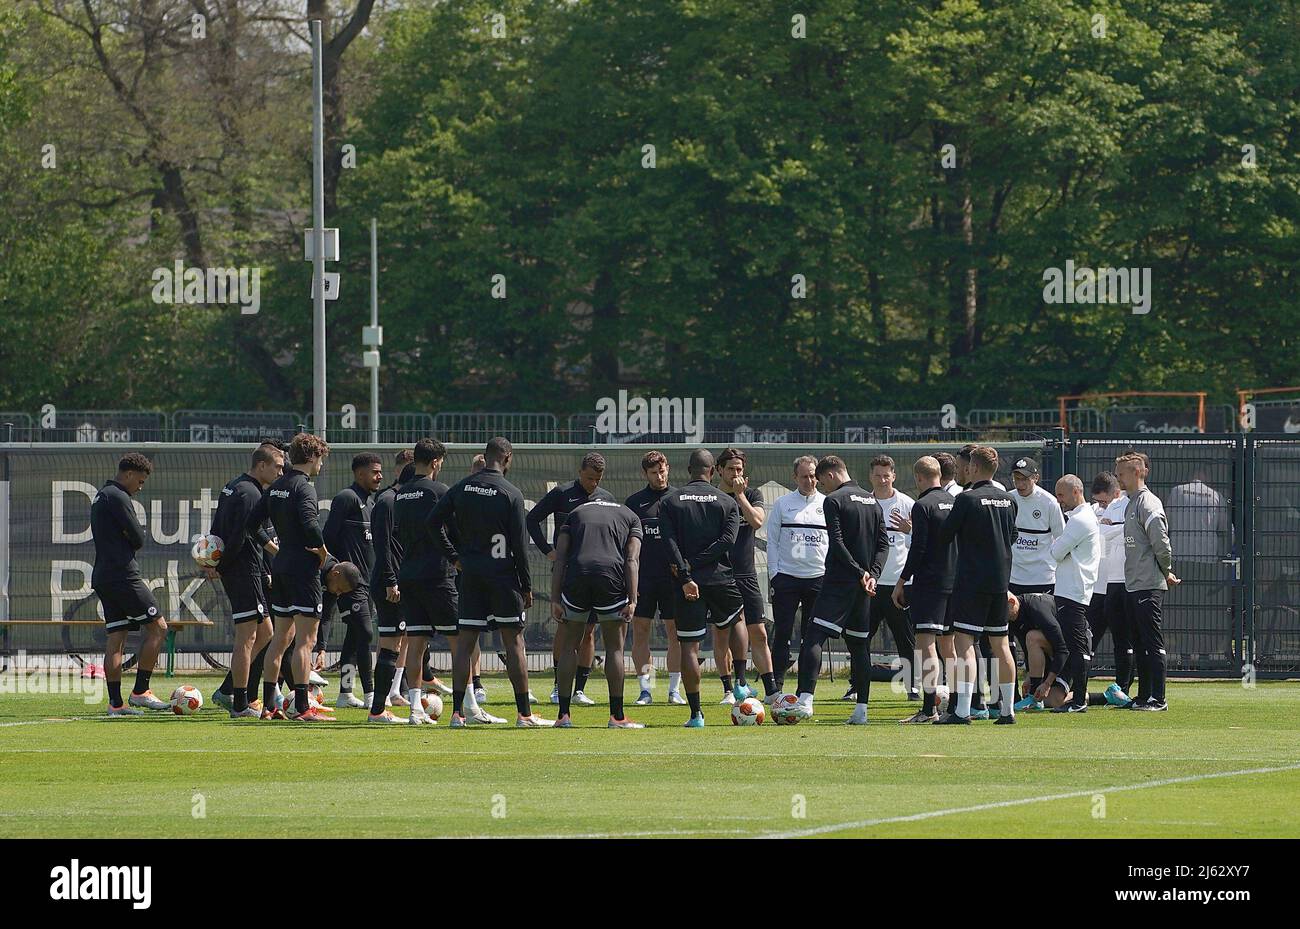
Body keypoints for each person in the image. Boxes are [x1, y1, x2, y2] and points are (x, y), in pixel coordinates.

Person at [431, 437, 553, 727]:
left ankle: (457, 714)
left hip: (471, 575)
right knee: (514, 642)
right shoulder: (511, 493)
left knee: (465, 644)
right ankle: (524, 714)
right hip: (503, 577)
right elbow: (520, 546)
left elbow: (432, 522)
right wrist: (526, 585)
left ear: (485, 458)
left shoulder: (462, 487)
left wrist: (454, 556)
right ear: (507, 458)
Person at [779, 456, 889, 725]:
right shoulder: (871, 500)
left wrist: (859, 573)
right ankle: (861, 710)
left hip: (840, 582)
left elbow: (837, 544)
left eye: (820, 479)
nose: (819, 485)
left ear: (829, 476)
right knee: (859, 645)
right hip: (864, 588)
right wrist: (872, 575)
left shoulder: (834, 500)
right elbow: (884, 545)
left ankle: (805, 700)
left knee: (814, 637)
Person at [247, 432, 334, 721]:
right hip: (303, 570)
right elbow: (311, 524)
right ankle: (302, 707)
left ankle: (270, 707)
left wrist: (272, 548)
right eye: (320, 458)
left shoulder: (276, 486)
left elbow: (251, 523)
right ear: (311, 457)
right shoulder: (304, 487)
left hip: (281, 566)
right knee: (305, 641)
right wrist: (322, 552)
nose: (321, 464)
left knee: (281, 637)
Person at [658, 449, 743, 727]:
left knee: (689, 648)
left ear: (688, 470)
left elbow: (668, 544)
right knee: (737, 620)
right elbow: (728, 541)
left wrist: (685, 573)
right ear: (712, 471)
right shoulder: (726, 501)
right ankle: (739, 684)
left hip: (686, 585)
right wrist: (694, 565)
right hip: (720, 580)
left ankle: (696, 715)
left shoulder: (670, 501)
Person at [936, 446, 1019, 725]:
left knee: (965, 643)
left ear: (972, 468)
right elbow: (1013, 536)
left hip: (971, 582)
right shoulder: (1009, 500)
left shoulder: (967, 499)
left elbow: (945, 535)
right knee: (1001, 645)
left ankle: (962, 711)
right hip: (999, 583)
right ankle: (1007, 711)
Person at [527, 452, 614, 707]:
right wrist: (548, 551)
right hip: (567, 572)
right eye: (589, 478)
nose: (593, 484)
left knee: (589, 630)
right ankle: (558, 686)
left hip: (596, 574)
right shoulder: (562, 494)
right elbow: (532, 520)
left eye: (597, 479)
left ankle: (580, 689)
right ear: (580, 472)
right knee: (566, 627)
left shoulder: (606, 499)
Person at [550, 497, 645, 728]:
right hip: (610, 576)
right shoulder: (630, 516)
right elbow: (632, 559)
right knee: (614, 647)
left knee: (570, 645)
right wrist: (632, 599)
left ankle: (563, 716)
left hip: (577, 576)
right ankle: (617, 717)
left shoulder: (576, 512)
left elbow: (560, 557)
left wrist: (555, 598)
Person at [207, 442, 284, 717]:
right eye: (277, 466)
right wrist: (224, 565)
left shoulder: (234, 485)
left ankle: (230, 689)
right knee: (247, 638)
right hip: (243, 571)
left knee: (266, 633)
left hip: (243, 569)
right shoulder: (251, 493)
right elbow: (241, 537)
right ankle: (240, 703)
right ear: (261, 465)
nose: (280, 472)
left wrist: (214, 560)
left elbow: (217, 528)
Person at [91, 453, 170, 716]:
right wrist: (132, 535)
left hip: (103, 575)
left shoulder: (102, 494)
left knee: (117, 638)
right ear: (128, 474)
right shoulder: (119, 496)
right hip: (123, 575)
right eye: (140, 480)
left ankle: (116, 704)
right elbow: (138, 538)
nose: (140, 486)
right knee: (158, 628)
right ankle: (141, 692)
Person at [894, 456, 956, 723]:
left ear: (919, 478)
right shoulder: (957, 502)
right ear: (939, 475)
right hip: (956, 583)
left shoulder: (922, 505)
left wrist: (902, 580)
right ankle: (958, 704)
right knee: (951, 646)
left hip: (930, 584)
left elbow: (918, 549)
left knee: (925, 644)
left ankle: (929, 708)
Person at [1116, 452, 1180, 711]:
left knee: (1152, 642)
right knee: (1140, 642)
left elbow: (1161, 542)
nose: (1117, 477)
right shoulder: (1131, 502)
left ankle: (1159, 698)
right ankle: (1143, 696)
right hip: (1135, 583)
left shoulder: (1148, 503)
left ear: (1137, 472)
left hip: (1148, 584)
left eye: (1121, 473)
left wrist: (1166, 570)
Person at [714, 448, 776, 703]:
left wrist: (740, 496)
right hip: (720, 574)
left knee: (758, 633)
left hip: (747, 573)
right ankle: (729, 689)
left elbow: (757, 521)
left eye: (739, 469)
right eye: (730, 469)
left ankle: (771, 690)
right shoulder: (713, 497)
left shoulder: (751, 494)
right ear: (719, 470)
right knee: (722, 632)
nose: (736, 473)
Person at [625, 450, 686, 705]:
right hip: (644, 578)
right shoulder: (634, 503)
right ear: (645, 474)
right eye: (653, 473)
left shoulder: (679, 498)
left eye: (662, 471)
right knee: (640, 631)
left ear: (668, 468)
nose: (659, 476)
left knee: (675, 632)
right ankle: (646, 690)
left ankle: (674, 691)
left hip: (672, 579)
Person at [322, 452, 382, 709]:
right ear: (359, 473)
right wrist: (337, 573)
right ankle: (370, 693)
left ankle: (345, 693)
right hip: (349, 584)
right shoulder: (347, 498)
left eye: (380, 471)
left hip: (369, 583)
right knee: (366, 633)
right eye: (374, 471)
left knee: (354, 636)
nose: (379, 476)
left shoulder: (372, 502)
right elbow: (328, 538)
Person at [766, 455, 827, 695]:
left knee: (811, 637)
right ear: (795, 477)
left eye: (813, 476)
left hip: (817, 578)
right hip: (787, 578)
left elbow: (833, 541)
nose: (810, 481)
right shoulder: (782, 504)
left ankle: (805, 692)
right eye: (804, 476)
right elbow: (771, 541)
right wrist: (774, 574)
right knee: (782, 633)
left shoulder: (827, 504)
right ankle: (775, 690)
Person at [864, 454, 918, 702]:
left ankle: (913, 686)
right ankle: (857, 685)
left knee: (906, 640)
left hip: (899, 585)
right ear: (870, 477)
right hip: (870, 585)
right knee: (861, 637)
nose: (883, 479)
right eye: (878, 475)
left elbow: (921, 544)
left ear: (894, 476)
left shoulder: (908, 504)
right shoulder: (864, 503)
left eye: (887, 475)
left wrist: (910, 531)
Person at [1047, 474, 1101, 713]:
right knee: (1076, 646)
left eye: (1062, 495)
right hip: (1072, 589)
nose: (1059, 500)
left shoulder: (1080, 520)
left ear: (1076, 492)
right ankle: (1077, 698)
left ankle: (1079, 700)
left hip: (1073, 591)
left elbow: (1056, 552)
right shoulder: (1080, 518)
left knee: (1078, 648)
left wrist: (1059, 546)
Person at [1088, 472, 1137, 706]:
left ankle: (1123, 691)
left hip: (1119, 585)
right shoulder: (1090, 510)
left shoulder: (1128, 505)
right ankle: (1077, 688)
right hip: (1097, 588)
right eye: (1098, 501)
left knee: (1123, 640)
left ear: (1116, 493)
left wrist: (1110, 528)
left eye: (1104, 501)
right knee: (1087, 639)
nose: (1101, 506)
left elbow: (1130, 530)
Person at [1009, 456, 1064, 595]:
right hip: (1013, 577)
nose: (1020, 484)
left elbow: (1061, 538)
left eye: (1024, 479)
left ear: (1036, 478)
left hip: (1043, 578)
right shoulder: (1009, 499)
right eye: (1016, 479)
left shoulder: (1050, 502)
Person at [1008, 592, 1071, 710]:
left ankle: (1034, 699)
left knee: (1033, 637)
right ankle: (1103, 697)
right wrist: (1030, 676)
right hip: (1054, 652)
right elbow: (1028, 649)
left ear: (1011, 603)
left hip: (1071, 651)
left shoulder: (1036, 608)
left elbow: (1063, 649)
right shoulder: (1013, 617)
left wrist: (1047, 683)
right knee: (1053, 700)